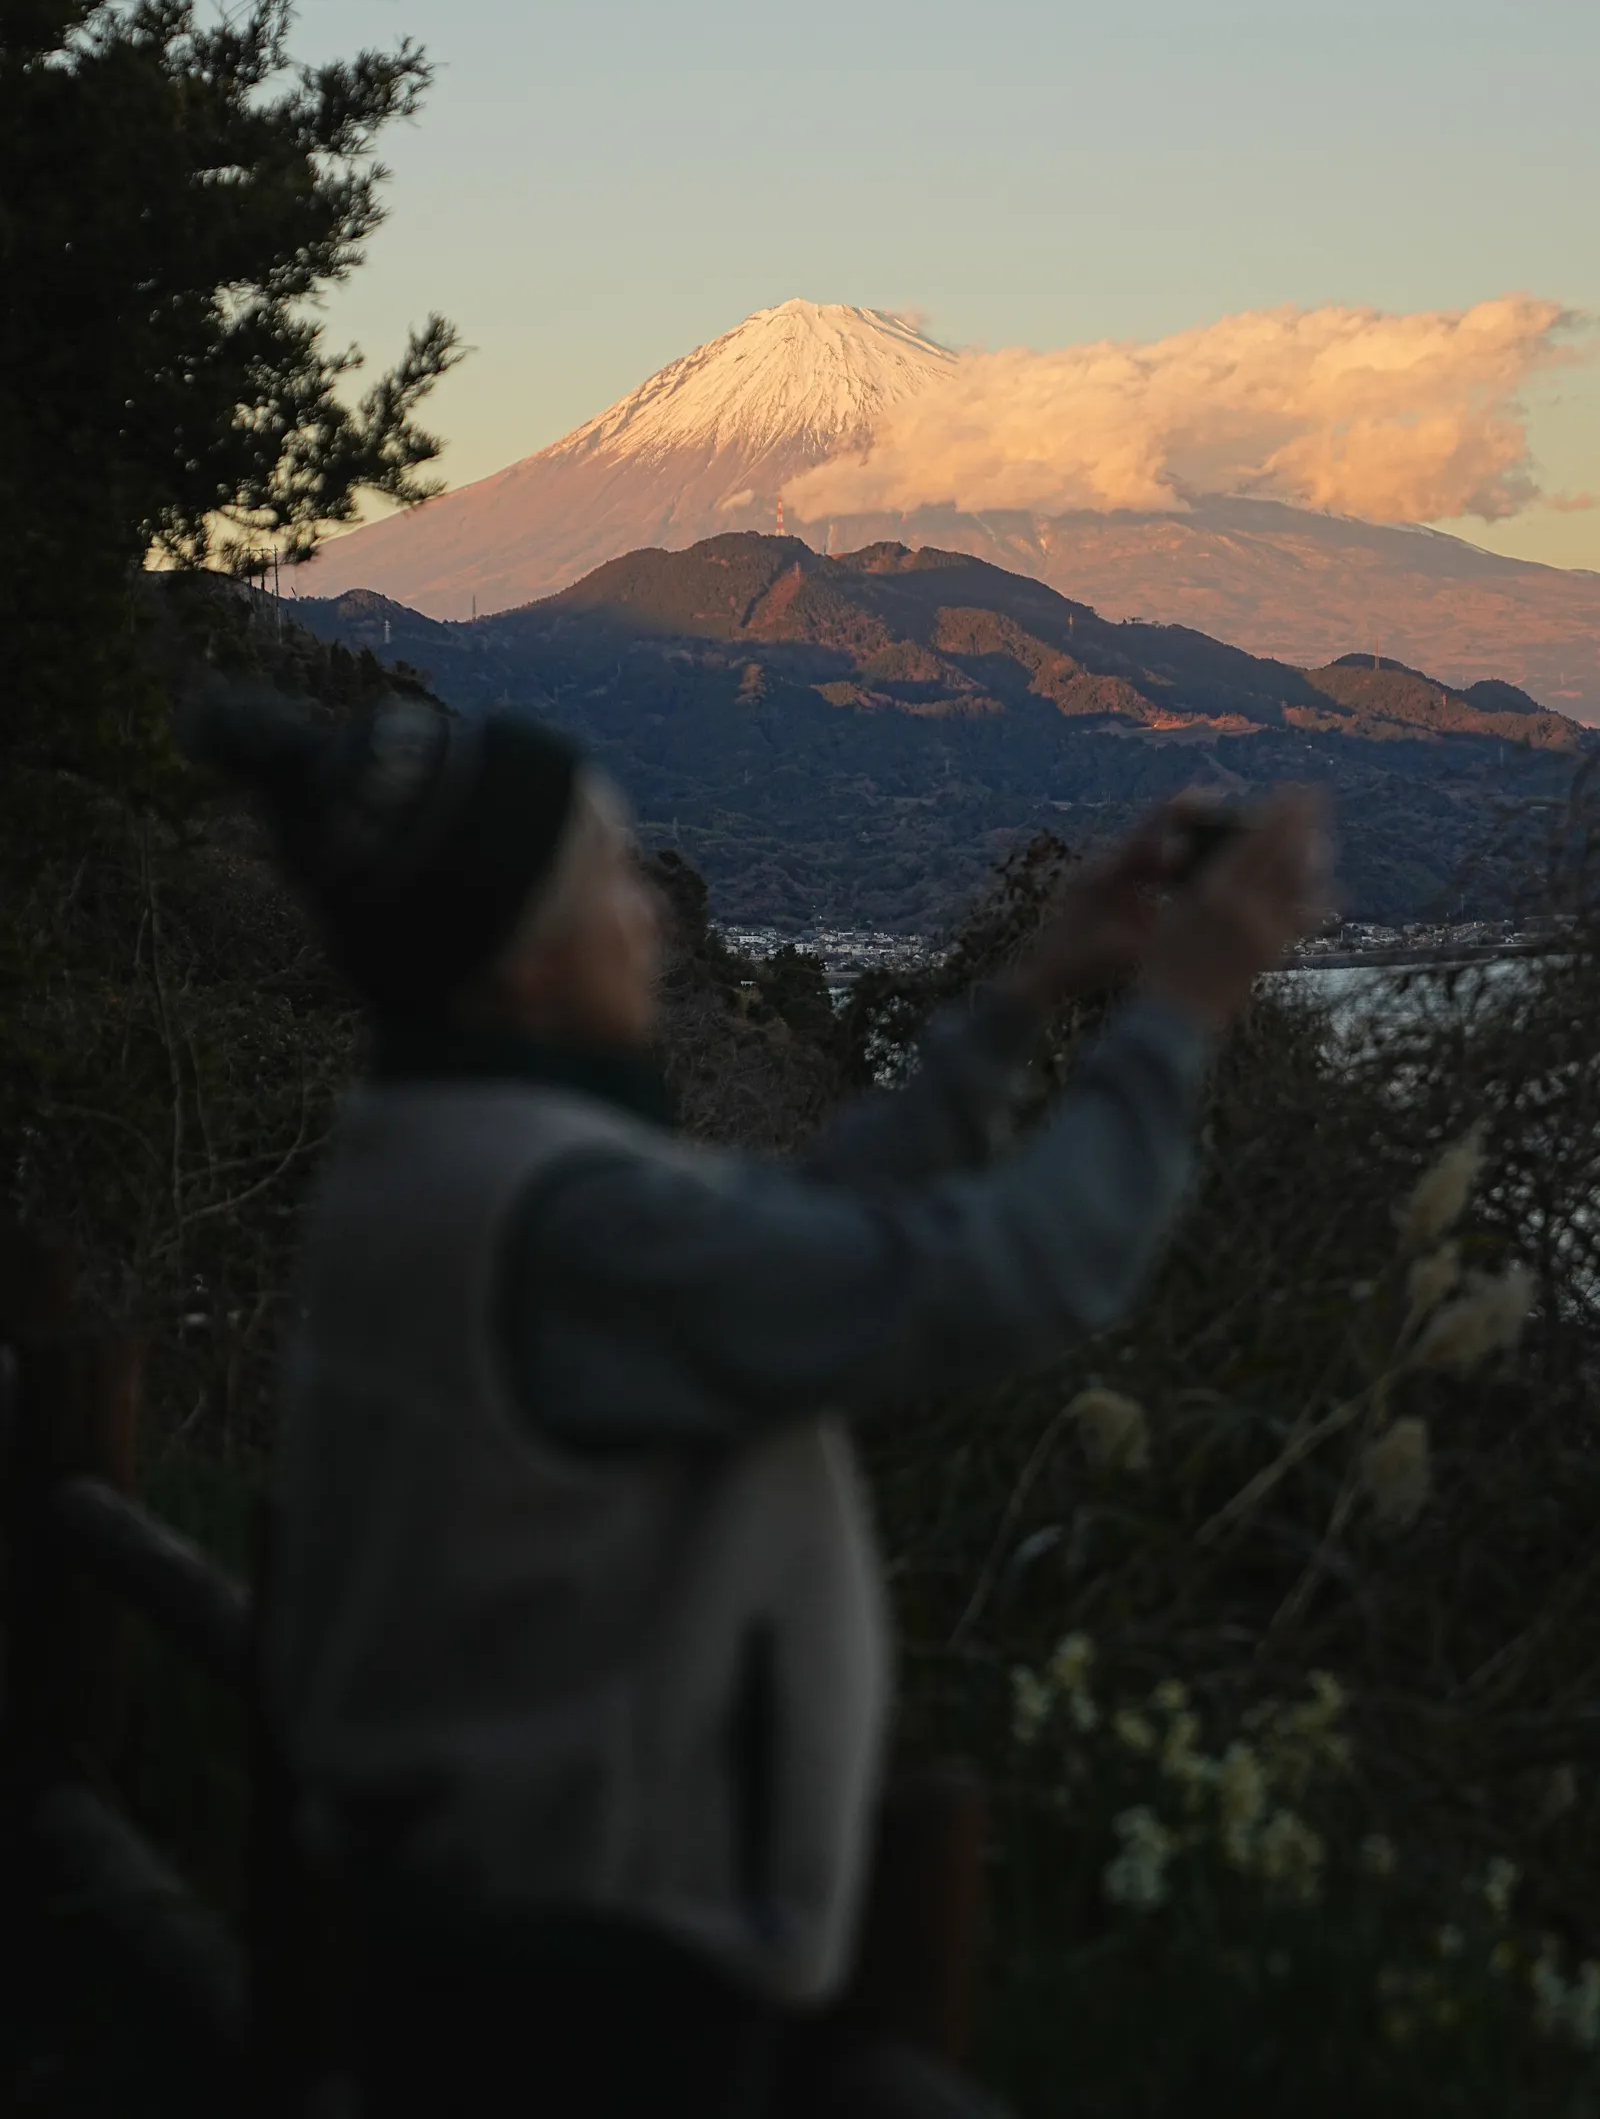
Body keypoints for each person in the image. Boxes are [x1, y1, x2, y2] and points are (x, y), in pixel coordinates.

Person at [189, 685, 1328, 2118]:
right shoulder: (566, 1223)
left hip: (479, 1932)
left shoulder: (442, 1153)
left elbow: (804, 1234)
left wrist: (1030, 993)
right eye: (612, 877)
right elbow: (1023, 1274)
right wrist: (1180, 1013)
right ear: (522, 958)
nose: (653, 916)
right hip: (589, 1998)